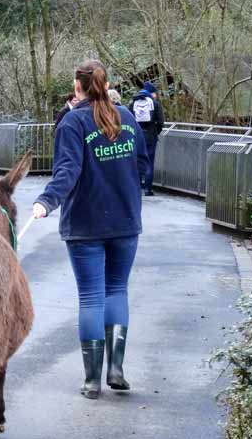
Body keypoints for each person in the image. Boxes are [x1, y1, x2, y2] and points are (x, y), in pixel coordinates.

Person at [32, 60, 148, 399]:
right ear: (106, 82)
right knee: (117, 291)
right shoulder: (126, 118)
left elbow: (67, 171)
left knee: (92, 297)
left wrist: (46, 202)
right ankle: (116, 368)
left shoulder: (73, 122)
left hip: (85, 224)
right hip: (125, 221)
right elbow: (142, 163)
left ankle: (92, 380)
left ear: (76, 85)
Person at [129, 81, 164, 196]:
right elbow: (160, 121)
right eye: (155, 93)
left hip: (136, 136)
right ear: (151, 93)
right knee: (149, 162)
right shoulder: (155, 104)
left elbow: (128, 120)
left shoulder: (133, 103)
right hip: (150, 136)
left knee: (136, 160)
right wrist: (155, 132)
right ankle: (148, 189)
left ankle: (137, 187)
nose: (156, 95)